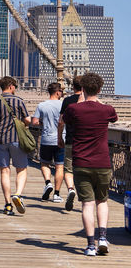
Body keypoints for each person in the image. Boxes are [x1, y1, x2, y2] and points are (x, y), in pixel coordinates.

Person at [62, 72, 117, 256]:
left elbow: (66, 120)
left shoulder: (74, 110)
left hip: (81, 162)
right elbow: (114, 118)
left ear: (82, 89)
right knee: (102, 201)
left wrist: (81, 101)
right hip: (102, 163)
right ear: (100, 89)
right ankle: (103, 238)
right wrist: (97, 100)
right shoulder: (107, 110)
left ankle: (91, 246)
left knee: (87, 204)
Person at [0, 76, 31, 215]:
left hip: (0, 140)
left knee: (5, 171)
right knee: (21, 169)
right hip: (17, 139)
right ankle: (17, 194)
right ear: (11, 86)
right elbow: (27, 120)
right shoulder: (19, 101)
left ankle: (7, 205)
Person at [31, 82, 66, 203]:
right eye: (61, 91)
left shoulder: (42, 105)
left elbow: (34, 122)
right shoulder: (63, 105)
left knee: (44, 164)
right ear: (57, 92)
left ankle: (47, 182)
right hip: (61, 139)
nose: (62, 93)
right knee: (59, 166)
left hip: (46, 139)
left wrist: (43, 123)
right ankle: (56, 194)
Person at [57, 76, 82, 211]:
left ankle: (71, 189)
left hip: (71, 140)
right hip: (86, 143)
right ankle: (87, 197)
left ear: (73, 87)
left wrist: (59, 137)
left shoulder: (67, 101)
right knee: (85, 170)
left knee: (68, 169)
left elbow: (61, 122)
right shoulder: (89, 101)